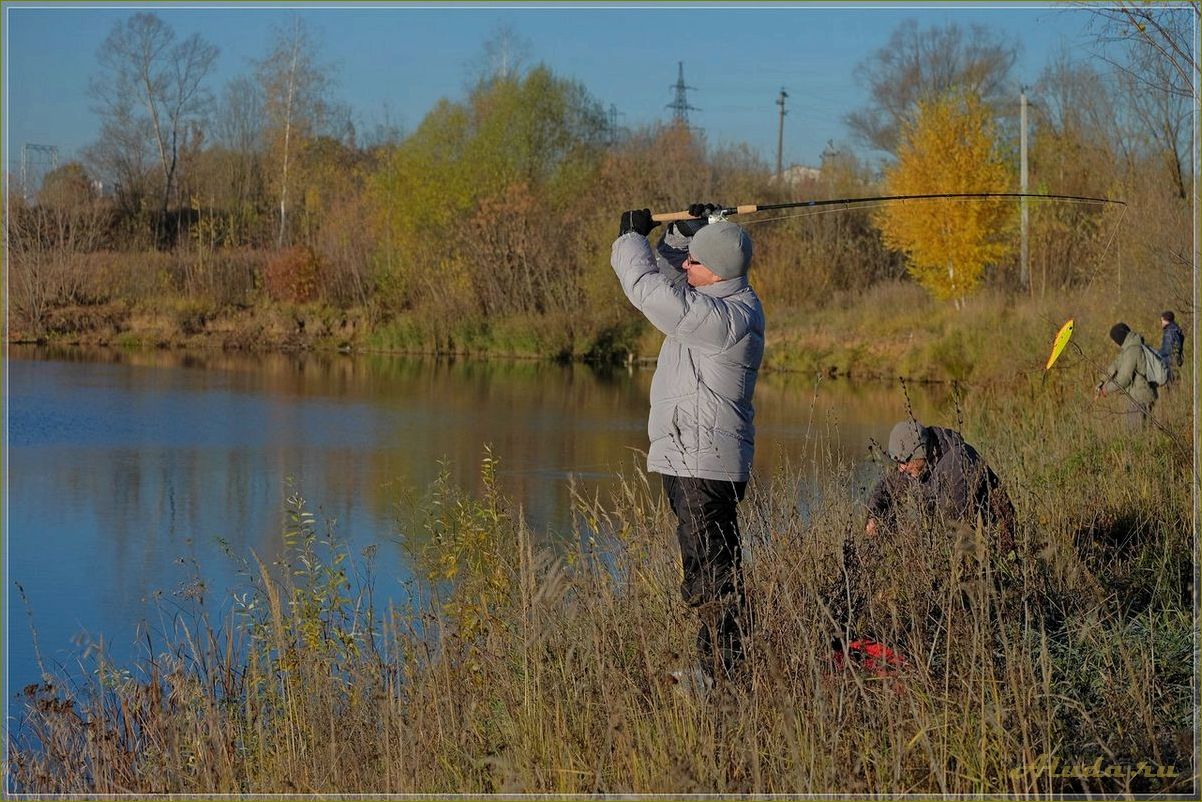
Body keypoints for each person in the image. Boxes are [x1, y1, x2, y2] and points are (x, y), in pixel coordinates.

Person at [610, 204, 764, 683]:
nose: (685, 268)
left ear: (715, 272)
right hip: (699, 459)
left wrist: (630, 239)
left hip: (703, 464)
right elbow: (674, 277)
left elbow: (648, 290)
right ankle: (721, 665)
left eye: (694, 262)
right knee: (712, 566)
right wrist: (679, 235)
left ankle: (720, 673)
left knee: (710, 574)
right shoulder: (725, 302)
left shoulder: (720, 320)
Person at [865, 419, 1016, 556]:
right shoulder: (919, 463)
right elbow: (887, 486)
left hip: (994, 547)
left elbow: (951, 525)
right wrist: (874, 516)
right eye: (897, 462)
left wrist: (911, 542)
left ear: (920, 451)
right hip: (962, 542)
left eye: (903, 462)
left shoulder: (957, 462)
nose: (901, 469)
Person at [1097, 322, 1157, 428]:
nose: (1115, 344)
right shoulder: (1132, 347)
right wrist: (1102, 381)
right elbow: (1116, 364)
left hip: (1140, 398)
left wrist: (1106, 390)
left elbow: (1124, 379)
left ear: (1120, 338)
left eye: (1115, 341)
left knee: (1136, 435)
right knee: (1142, 434)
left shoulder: (1133, 351)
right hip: (1142, 396)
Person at [1157, 310, 1185, 385]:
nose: (1161, 323)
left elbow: (1167, 350)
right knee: (1176, 386)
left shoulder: (1169, 332)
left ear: (1166, 320)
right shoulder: (1175, 329)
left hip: (1170, 364)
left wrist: (1156, 353)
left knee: (1172, 387)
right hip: (1176, 363)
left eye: (1162, 320)